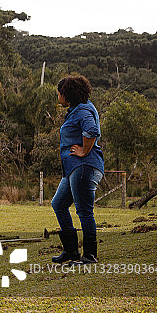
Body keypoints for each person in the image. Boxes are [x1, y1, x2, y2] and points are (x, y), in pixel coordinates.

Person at [51, 75, 104, 264]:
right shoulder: (77, 109)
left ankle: (89, 255)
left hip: (84, 167)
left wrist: (85, 150)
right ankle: (71, 251)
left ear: (67, 95)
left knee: (84, 211)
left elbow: (92, 131)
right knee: (58, 204)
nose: (58, 97)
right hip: (73, 168)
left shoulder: (82, 111)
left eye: (59, 94)